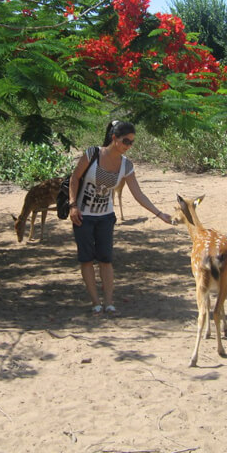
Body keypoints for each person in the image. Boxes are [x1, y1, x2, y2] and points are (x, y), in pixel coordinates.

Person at [68, 120, 172, 315]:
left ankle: (108, 302)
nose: (128, 146)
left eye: (132, 142)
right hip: (83, 215)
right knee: (87, 259)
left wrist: (159, 214)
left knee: (106, 259)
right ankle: (95, 302)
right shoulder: (92, 154)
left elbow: (138, 194)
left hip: (105, 216)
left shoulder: (126, 165)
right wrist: (73, 205)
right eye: (126, 141)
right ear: (114, 138)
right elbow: (74, 178)